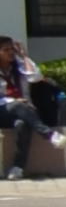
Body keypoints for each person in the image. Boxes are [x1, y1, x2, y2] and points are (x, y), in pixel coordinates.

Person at [0, 31, 61, 176]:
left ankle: (18, 167)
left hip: (25, 113)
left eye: (12, 49)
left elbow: (35, 77)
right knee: (18, 105)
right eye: (6, 50)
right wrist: (15, 101)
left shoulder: (19, 66)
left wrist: (24, 56)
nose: (11, 53)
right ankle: (48, 134)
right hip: (3, 112)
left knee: (22, 124)